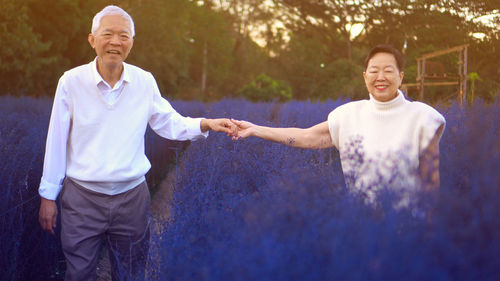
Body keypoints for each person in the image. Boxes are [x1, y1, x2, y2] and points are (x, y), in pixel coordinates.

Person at [38, 5, 236, 281]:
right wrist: (48, 196)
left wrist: (206, 123)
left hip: (131, 198)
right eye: (108, 34)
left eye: (124, 36)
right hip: (82, 198)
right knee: (78, 273)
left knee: (130, 272)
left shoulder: (144, 81)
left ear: (132, 42)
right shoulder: (71, 82)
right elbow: (56, 139)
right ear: (92, 39)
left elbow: (168, 121)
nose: (116, 42)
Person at [232, 45, 445, 206]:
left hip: (406, 232)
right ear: (365, 76)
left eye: (388, 71)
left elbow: (431, 187)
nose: (380, 77)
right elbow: (307, 136)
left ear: (401, 77)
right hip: (359, 230)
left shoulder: (423, 118)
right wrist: (256, 129)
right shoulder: (348, 115)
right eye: (373, 71)